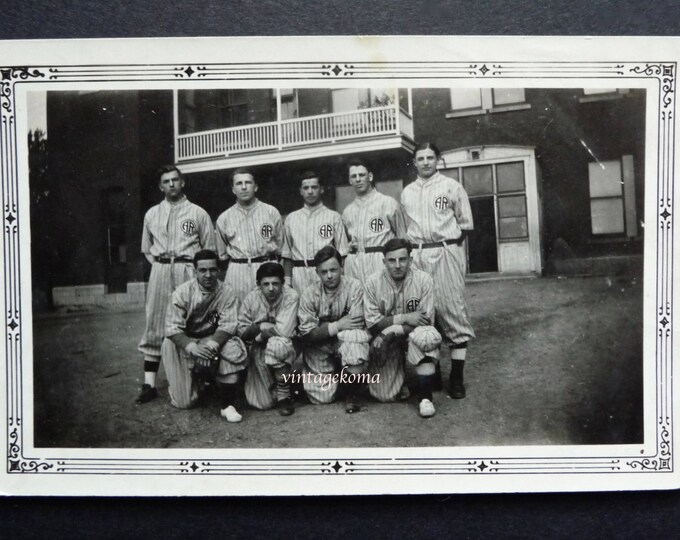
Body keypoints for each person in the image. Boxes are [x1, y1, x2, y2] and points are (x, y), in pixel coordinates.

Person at [400, 142, 475, 399]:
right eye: (420, 158)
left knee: (451, 309)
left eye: (430, 157)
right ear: (414, 162)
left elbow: (465, 226)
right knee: (423, 313)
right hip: (418, 253)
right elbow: (406, 227)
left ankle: (456, 377)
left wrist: (449, 247)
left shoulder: (452, 187)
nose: (425, 162)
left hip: (445, 250)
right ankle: (432, 374)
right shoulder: (407, 192)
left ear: (438, 159)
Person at [136, 164, 216, 404]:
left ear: (183, 183)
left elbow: (209, 249)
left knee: (193, 320)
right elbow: (146, 248)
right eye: (166, 181)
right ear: (161, 186)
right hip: (161, 269)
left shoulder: (198, 213)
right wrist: (160, 265)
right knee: (156, 322)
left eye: (175, 180)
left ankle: (201, 378)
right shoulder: (151, 214)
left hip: (188, 268)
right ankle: (149, 384)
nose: (171, 184)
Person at [161, 250, 247, 422]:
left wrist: (211, 346)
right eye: (203, 270)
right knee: (185, 402)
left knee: (232, 348)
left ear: (219, 271)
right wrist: (193, 347)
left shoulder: (227, 292)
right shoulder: (182, 292)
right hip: (183, 341)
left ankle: (227, 404)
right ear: (195, 271)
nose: (208, 275)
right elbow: (171, 328)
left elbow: (228, 324)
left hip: (211, 338)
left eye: (213, 270)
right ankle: (197, 382)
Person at [364, 238, 442, 418]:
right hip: (385, 337)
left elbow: (425, 321)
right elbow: (373, 324)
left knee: (427, 336)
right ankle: (401, 380)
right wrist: (406, 317)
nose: (397, 265)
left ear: (411, 260)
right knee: (384, 395)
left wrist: (391, 330)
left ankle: (425, 397)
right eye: (392, 260)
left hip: (412, 334)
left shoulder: (424, 280)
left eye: (402, 259)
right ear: (384, 262)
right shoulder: (372, 282)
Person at [297, 245, 370, 412]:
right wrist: (337, 325)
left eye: (333, 270)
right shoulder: (309, 293)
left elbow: (356, 323)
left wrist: (323, 328)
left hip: (344, 342)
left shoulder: (354, 286)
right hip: (319, 347)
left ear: (342, 267)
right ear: (317, 272)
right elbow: (307, 334)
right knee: (321, 398)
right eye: (324, 272)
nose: (329, 276)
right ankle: (340, 375)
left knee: (356, 339)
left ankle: (351, 393)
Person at [238, 262, 300, 416]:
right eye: (266, 284)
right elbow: (242, 332)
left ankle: (284, 395)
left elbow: (283, 331)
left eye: (275, 283)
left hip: (285, 347)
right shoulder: (251, 298)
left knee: (278, 343)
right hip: (258, 350)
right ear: (258, 284)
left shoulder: (291, 296)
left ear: (282, 283)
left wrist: (260, 335)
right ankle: (279, 385)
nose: (271, 288)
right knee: (263, 403)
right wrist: (260, 326)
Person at [216, 168, 283, 303]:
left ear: (256, 187)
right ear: (233, 189)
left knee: (272, 311)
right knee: (239, 313)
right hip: (238, 271)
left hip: (267, 267)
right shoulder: (224, 218)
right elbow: (222, 255)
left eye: (248, 183)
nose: (244, 187)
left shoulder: (271, 212)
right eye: (239, 184)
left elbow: (281, 247)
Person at [281, 170, 349, 294]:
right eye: (306, 188)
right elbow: (287, 255)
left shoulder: (333, 217)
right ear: (301, 191)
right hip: (300, 275)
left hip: (326, 273)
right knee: (302, 311)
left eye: (314, 187)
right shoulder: (291, 219)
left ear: (321, 189)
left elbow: (342, 254)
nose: (310, 191)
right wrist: (287, 282)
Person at [341, 157, 407, 282]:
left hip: (380, 262)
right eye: (354, 176)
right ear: (350, 180)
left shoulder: (388, 203)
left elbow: (402, 238)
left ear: (370, 176)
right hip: (355, 265)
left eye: (362, 175)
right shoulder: (347, 212)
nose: (358, 179)